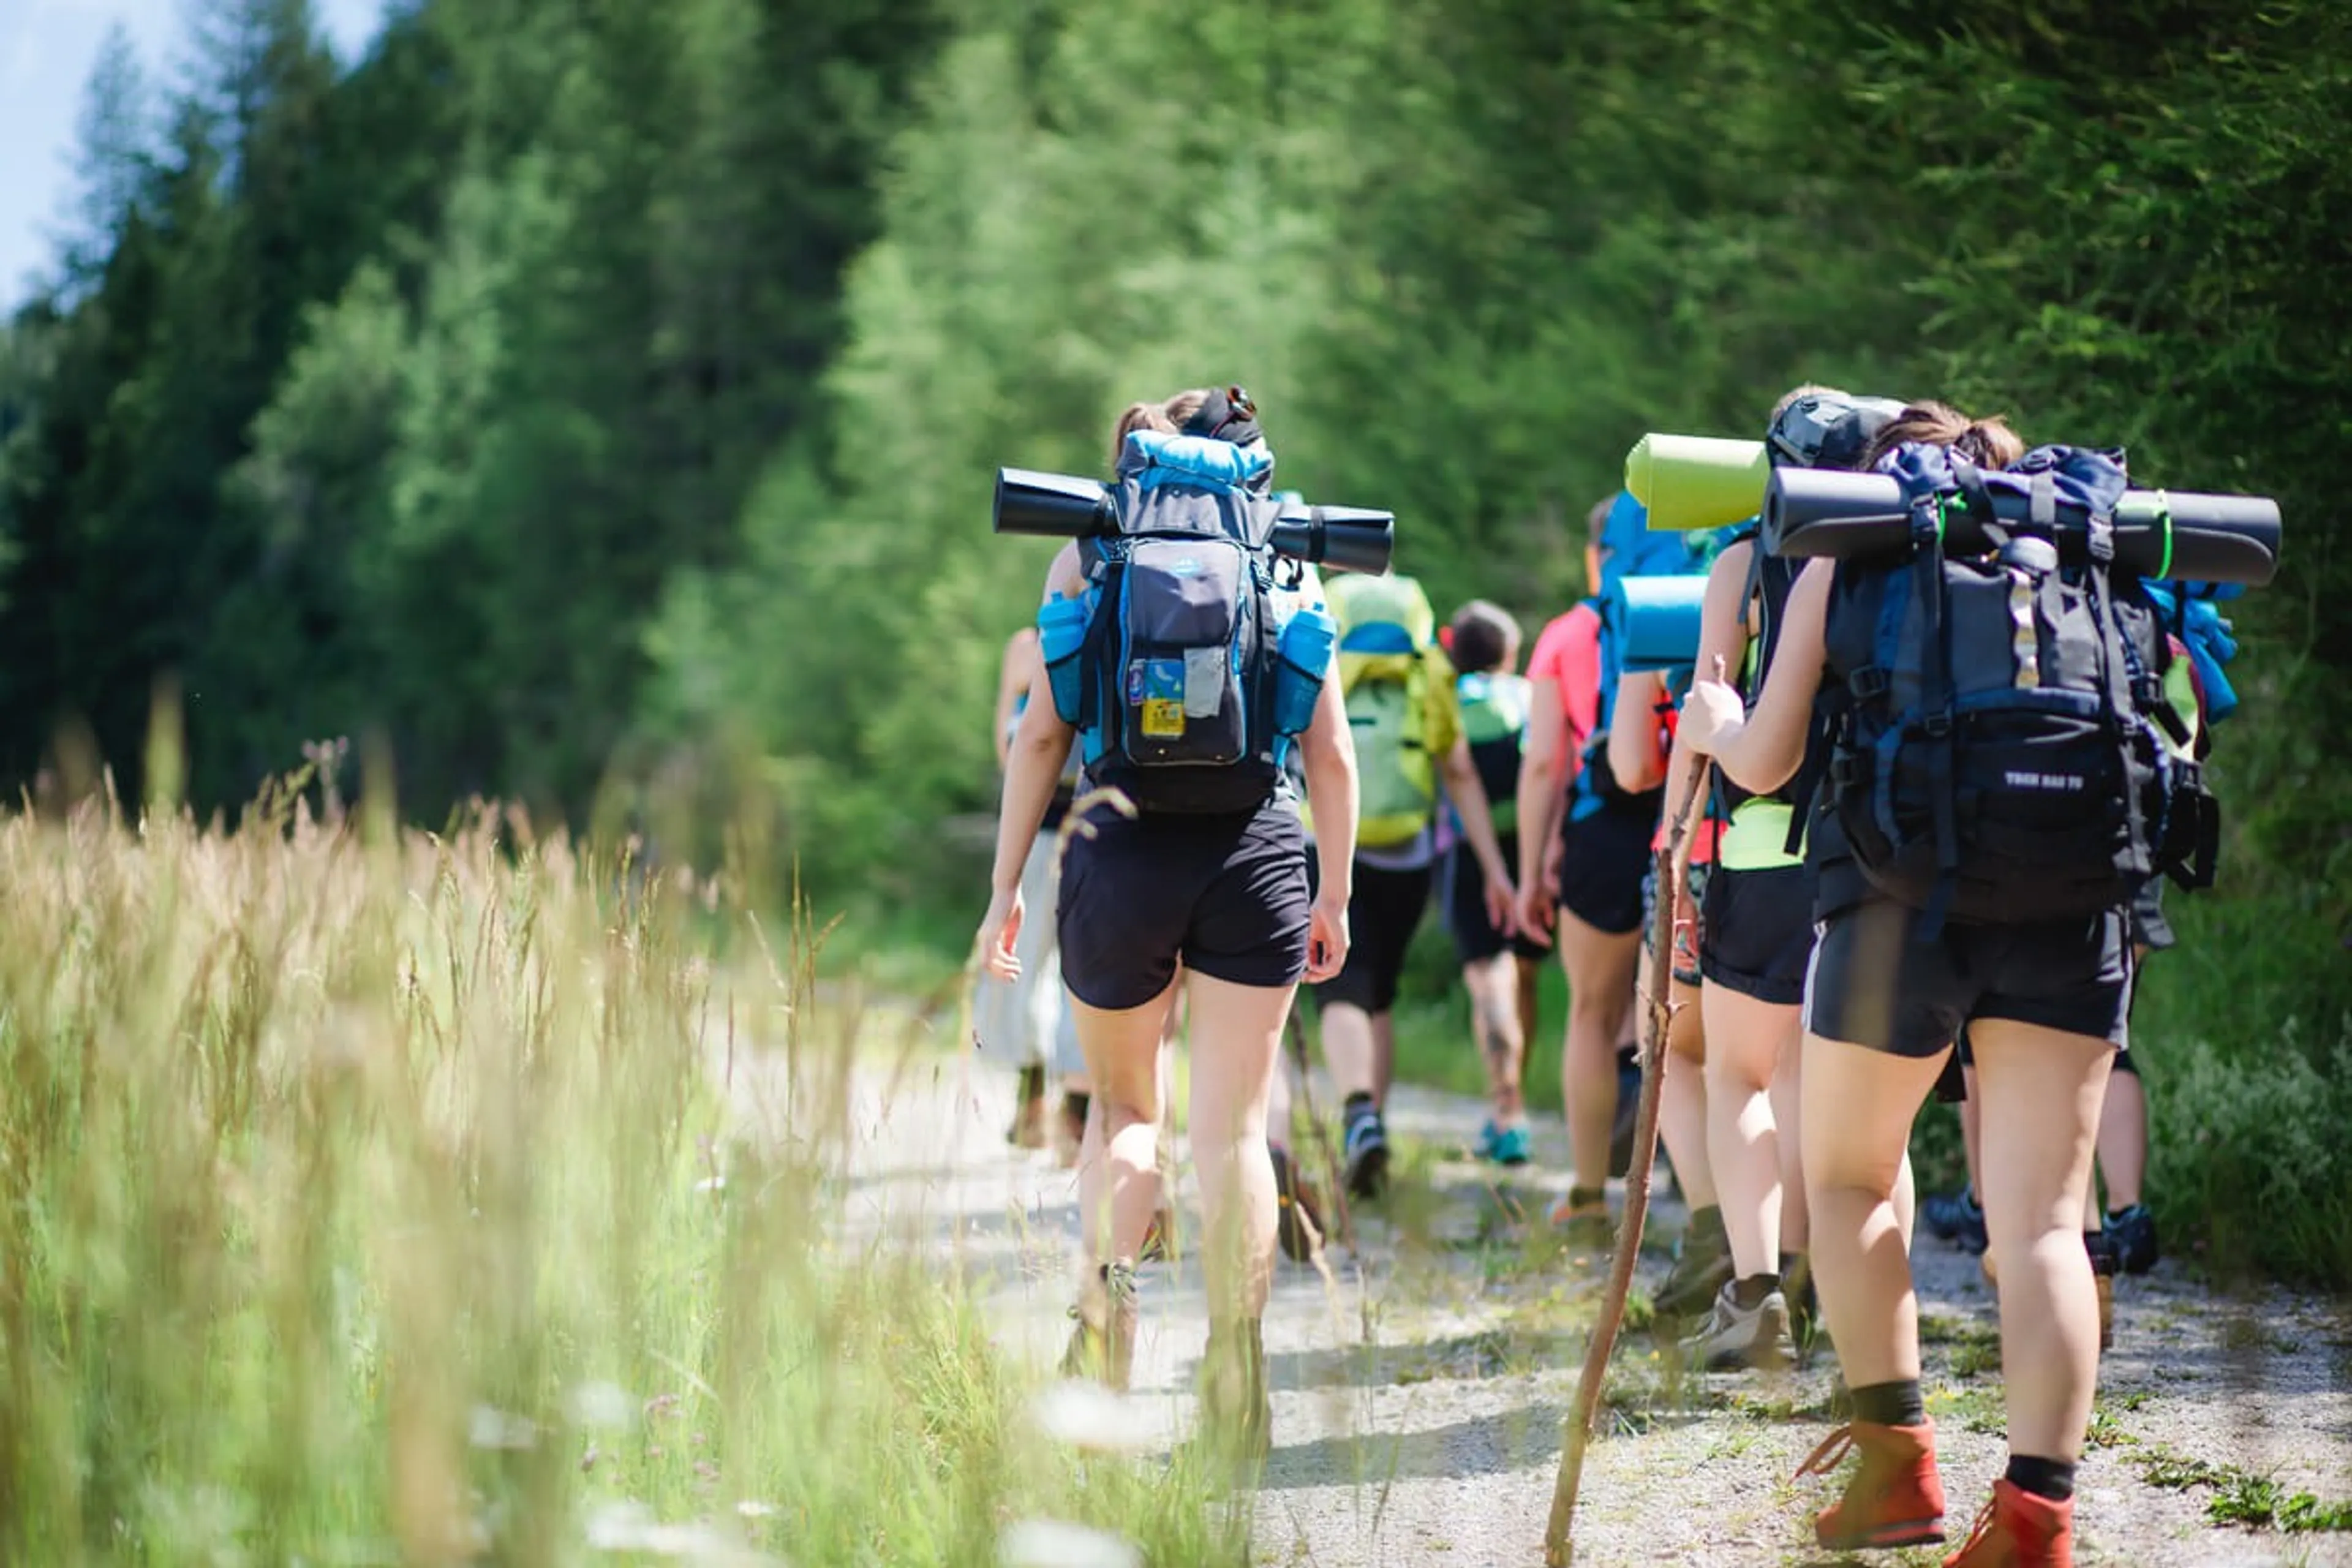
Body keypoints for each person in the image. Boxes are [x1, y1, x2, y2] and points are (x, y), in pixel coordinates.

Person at [1681, 401, 2190, 1564]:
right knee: (2047, 1222)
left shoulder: (1856, 547)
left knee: (1852, 1179)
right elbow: (2170, 729)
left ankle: (1898, 1469)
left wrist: (1713, 723)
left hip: (1892, 909)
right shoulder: (2085, 554)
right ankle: (2038, 1519)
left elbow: (1767, 760)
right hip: (2074, 904)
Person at [977, 386, 1356, 1463]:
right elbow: (1330, 751)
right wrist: (1332, 893)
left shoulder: (1087, 554)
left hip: (1119, 846)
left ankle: (1105, 1331)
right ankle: (1236, 1378)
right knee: (1233, 1131)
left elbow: (1040, 738)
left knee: (1124, 1112)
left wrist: (1006, 888)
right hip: (1257, 849)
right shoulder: (1287, 557)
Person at [1673, 386, 1912, 1371]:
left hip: (1766, 847)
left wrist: (1676, 847)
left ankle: (1759, 1289)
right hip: (1882, 856)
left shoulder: (1746, 562)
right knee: (1857, 1107)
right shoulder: (1911, 554)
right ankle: (1859, 1320)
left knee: (1740, 1073)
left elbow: (1710, 711)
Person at [1515, 492, 1691, 1237]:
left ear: (1599, 556)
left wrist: (1531, 872)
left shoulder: (1569, 632)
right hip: (1693, 816)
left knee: (1591, 1012)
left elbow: (1543, 764)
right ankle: (1707, 1196)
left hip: (1604, 824)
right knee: (1690, 1021)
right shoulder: (1704, 597)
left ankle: (1589, 1195)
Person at [1314, 570, 1513, 1200]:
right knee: (1379, 993)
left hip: (1327, 843)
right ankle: (1373, 1124)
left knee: (1340, 983)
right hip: (1408, 855)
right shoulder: (1428, 669)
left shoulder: (1320, 648)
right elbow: (1459, 773)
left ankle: (1359, 1115)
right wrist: (1497, 871)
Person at [1601, 662, 1727, 1322]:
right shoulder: (1808, 598)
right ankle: (1785, 1259)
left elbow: (1632, 767)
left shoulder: (1663, 615)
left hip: (1697, 856)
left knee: (1674, 1050)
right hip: (1806, 855)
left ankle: (1715, 1231)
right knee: (1778, 1068)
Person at [976, 625, 1092, 1159]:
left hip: (1072, 829)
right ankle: (1048, 1098)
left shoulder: (1038, 644)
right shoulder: (1029, 646)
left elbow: (1015, 748)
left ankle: (1065, 1105)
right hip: (1063, 829)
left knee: (1056, 966)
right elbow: (1010, 751)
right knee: (1034, 963)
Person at [1439, 600, 1547, 1165]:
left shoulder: (1448, 700)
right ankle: (1516, 1105)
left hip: (1473, 856)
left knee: (1490, 981)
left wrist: (1492, 873)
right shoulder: (1528, 697)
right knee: (1524, 975)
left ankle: (1507, 1113)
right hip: (1532, 853)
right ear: (1509, 654)